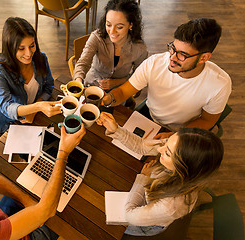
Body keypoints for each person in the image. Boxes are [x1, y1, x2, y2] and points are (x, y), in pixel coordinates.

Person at [97, 112, 223, 236]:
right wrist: (116, 129)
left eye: (167, 153)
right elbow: (142, 146)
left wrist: (143, 179)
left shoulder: (170, 205)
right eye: (165, 143)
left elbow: (130, 216)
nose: (159, 149)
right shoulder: (179, 149)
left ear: (184, 167)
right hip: (148, 198)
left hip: (146, 224)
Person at [102, 18, 232, 138]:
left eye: (183, 55)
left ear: (204, 58)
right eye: (173, 48)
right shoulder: (155, 63)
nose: (172, 58)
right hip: (149, 115)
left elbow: (207, 120)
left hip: (184, 130)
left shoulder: (220, 84)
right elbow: (124, 91)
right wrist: (108, 99)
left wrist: (175, 135)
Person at [0, 17, 61, 135]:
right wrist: (37, 107)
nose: (29, 54)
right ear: (9, 48)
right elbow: (5, 106)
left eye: (32, 45)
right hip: (10, 121)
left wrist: (36, 107)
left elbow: (49, 86)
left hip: (36, 114)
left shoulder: (41, 58)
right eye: (21, 49)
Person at [73, 0, 147, 94]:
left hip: (119, 92)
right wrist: (79, 81)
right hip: (91, 86)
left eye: (119, 27)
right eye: (108, 24)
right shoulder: (97, 37)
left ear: (130, 25)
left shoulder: (139, 48)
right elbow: (82, 63)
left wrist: (117, 82)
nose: (112, 31)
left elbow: (139, 76)